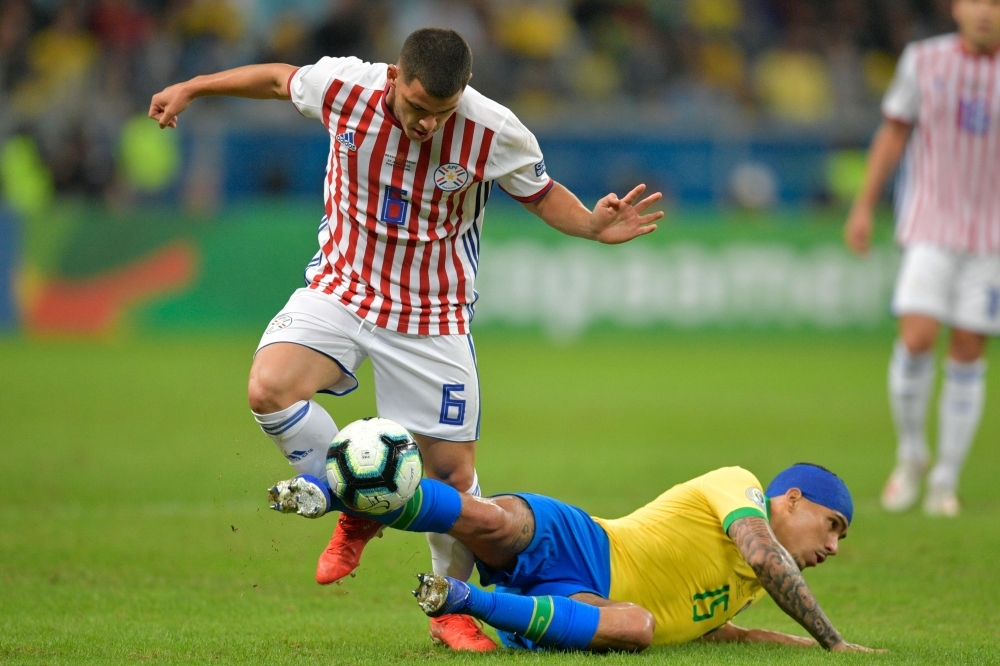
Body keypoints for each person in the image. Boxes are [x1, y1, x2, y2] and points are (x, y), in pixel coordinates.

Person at [148, 28, 662, 650]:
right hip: (342, 287)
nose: (426, 124)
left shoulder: (493, 129)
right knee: (270, 388)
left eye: (440, 113)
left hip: (433, 314)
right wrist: (193, 87)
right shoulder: (345, 86)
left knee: (452, 477)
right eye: (417, 107)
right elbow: (279, 78)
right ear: (393, 77)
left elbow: (542, 194)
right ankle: (358, 505)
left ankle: (450, 609)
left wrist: (589, 225)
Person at [269, 463, 879, 652]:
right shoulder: (740, 488)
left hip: (589, 604)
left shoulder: (746, 587)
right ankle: (334, 495)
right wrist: (830, 639)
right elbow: (768, 558)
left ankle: (460, 601)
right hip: (585, 541)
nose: (831, 546)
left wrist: (816, 652)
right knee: (491, 518)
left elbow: (733, 636)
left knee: (636, 626)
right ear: (790, 499)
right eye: (832, 526)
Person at [845, 0, 1000, 517]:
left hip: (992, 237)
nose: (986, 12)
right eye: (977, 1)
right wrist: (864, 205)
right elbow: (893, 133)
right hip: (930, 226)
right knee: (917, 337)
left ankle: (946, 478)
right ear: (956, 8)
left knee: (967, 348)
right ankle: (911, 454)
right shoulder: (923, 60)